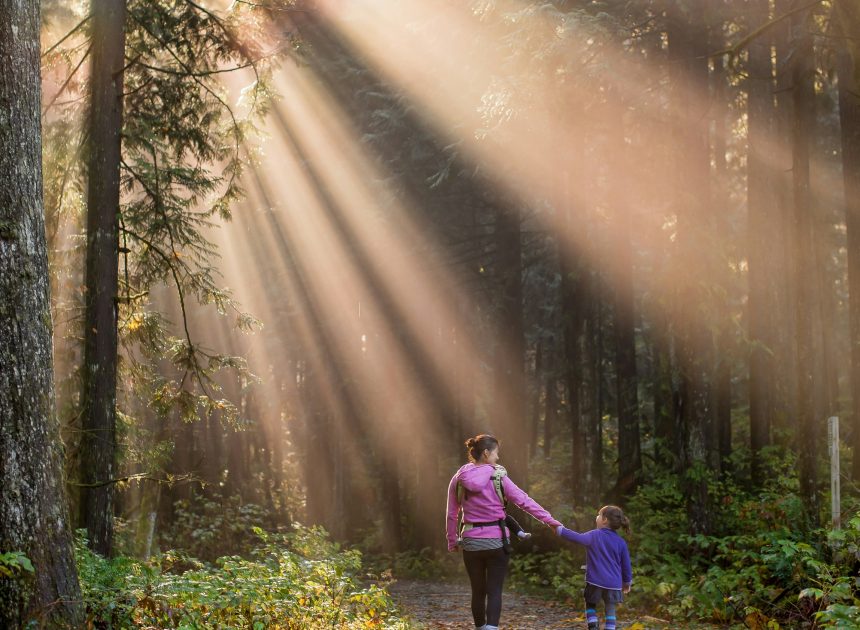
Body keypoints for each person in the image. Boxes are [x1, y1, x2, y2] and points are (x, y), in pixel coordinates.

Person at [446, 434, 561, 630]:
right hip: (497, 542)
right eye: (496, 453)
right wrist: (550, 521)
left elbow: (451, 513)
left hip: (471, 542)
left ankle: (480, 627)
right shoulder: (499, 477)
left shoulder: (458, 478)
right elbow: (524, 501)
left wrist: (452, 540)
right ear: (486, 453)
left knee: (477, 591)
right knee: (494, 590)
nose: (497, 457)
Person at [555, 505, 632, 630]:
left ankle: (593, 625)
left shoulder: (594, 535)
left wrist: (560, 530)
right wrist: (627, 582)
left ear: (604, 520)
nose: (597, 517)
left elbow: (577, 537)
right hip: (613, 583)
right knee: (610, 608)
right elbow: (626, 565)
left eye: (599, 515)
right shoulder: (621, 542)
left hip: (595, 581)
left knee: (590, 603)